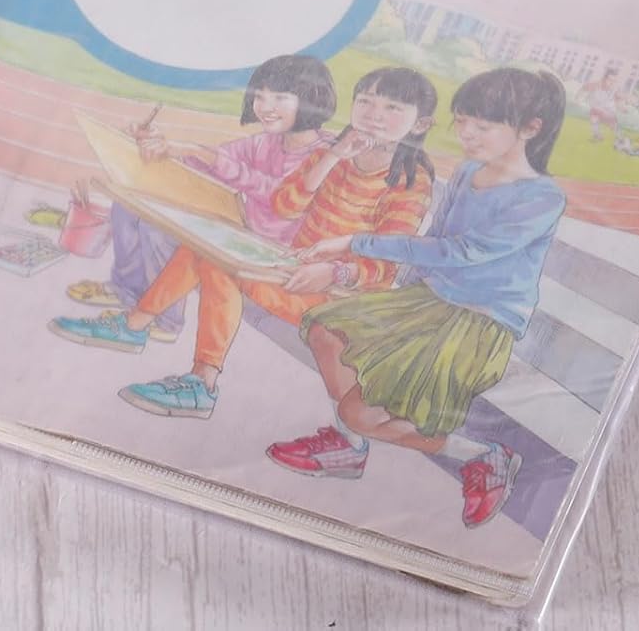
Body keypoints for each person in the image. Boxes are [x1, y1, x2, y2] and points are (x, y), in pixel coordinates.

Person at [268, 67, 567, 531]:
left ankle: (483, 456)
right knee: (326, 328)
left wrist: (356, 243)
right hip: (426, 300)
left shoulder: (542, 198)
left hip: (478, 322)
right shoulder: (468, 172)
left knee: (359, 411)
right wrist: (389, 295)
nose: (467, 134)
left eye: (482, 126)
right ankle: (350, 445)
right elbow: (435, 238)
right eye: (462, 122)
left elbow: (460, 252)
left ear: (530, 129)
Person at [49, 67, 438, 422]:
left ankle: (196, 378)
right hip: (294, 268)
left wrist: (334, 272)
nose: (373, 114)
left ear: (420, 123)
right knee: (208, 248)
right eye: (366, 101)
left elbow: (387, 263)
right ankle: (147, 335)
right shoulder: (330, 153)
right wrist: (332, 158)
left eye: (392, 108)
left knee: (219, 264)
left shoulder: (411, 182)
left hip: (339, 296)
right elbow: (285, 206)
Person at [63, 56, 339, 342]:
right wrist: (159, 145)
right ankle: (127, 292)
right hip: (248, 238)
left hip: (279, 255)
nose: (266, 107)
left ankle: (163, 320)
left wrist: (196, 153)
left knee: (165, 230)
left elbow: (279, 196)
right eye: (260, 96)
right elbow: (211, 162)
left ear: (311, 98)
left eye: (279, 97)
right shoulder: (266, 142)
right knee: (130, 206)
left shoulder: (328, 155)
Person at [582, 69, 621, 144]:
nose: (611, 82)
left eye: (614, 81)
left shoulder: (614, 89)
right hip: (597, 108)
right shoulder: (596, 84)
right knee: (594, 119)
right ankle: (598, 136)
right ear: (604, 78)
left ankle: (620, 138)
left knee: (612, 125)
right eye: (610, 80)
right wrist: (579, 98)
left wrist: (621, 106)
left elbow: (618, 98)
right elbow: (584, 88)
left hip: (608, 110)